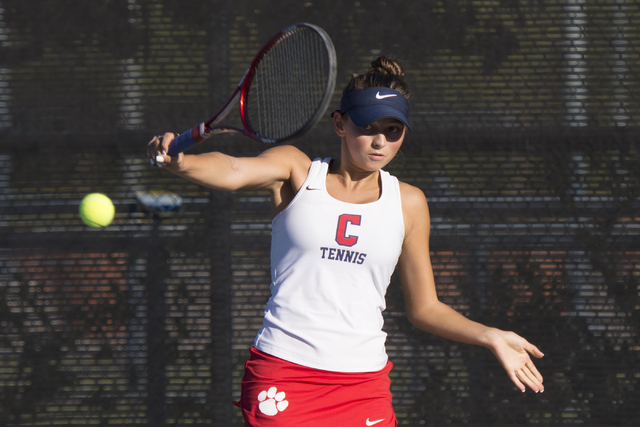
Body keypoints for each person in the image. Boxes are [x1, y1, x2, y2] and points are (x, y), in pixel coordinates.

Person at [147, 56, 544, 427]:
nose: (379, 142)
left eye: (392, 131)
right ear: (340, 124)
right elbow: (233, 169)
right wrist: (184, 162)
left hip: (364, 386)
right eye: (367, 126)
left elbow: (425, 308)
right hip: (285, 372)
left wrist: (489, 335)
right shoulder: (296, 170)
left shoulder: (409, 202)